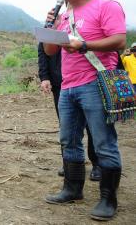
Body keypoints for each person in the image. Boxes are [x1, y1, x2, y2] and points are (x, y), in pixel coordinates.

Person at [43, 0, 126, 221]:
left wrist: (85, 44)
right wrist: (51, 26)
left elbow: (119, 40)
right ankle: (72, 188)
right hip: (68, 87)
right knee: (69, 139)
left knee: (103, 141)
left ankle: (108, 198)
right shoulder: (64, 15)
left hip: (95, 83)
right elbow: (49, 51)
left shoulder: (106, 6)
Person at [38, 43, 101, 180]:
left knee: (93, 127)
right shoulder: (52, 28)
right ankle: (69, 164)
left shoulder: (83, 23)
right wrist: (44, 76)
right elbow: (43, 52)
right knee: (67, 127)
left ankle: (97, 164)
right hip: (60, 83)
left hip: (90, 80)